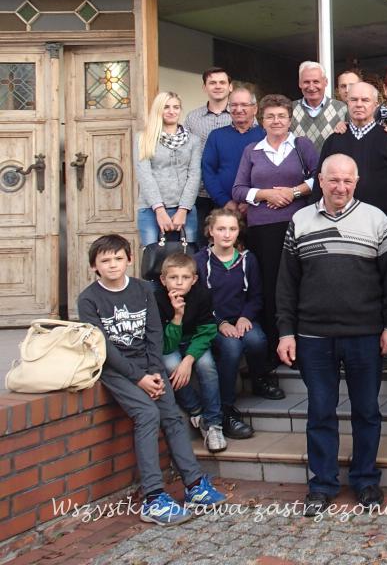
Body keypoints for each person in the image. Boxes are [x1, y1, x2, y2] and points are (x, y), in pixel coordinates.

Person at [276, 154, 387, 517]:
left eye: (348, 180)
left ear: (357, 181)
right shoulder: (300, 220)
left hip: (365, 334)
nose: (341, 187)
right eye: (333, 180)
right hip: (314, 336)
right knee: (320, 411)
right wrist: (286, 332)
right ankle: (322, 484)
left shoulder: (376, 220)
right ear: (320, 180)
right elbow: (286, 284)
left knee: (367, 411)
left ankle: (365, 480)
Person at [77, 235, 226, 526]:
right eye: (105, 260)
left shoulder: (143, 290)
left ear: (130, 260)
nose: (113, 265)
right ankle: (154, 497)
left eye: (118, 258)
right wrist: (139, 378)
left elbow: (154, 333)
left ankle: (195, 484)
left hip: (149, 365)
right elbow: (103, 346)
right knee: (147, 414)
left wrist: (155, 372)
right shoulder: (88, 299)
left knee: (172, 416)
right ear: (94, 266)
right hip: (116, 369)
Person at [232, 94, 319, 359]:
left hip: (298, 225)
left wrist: (293, 192)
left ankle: (303, 346)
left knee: (300, 283)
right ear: (262, 120)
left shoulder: (302, 146)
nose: (276, 121)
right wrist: (265, 194)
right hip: (263, 229)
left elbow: (320, 178)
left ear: (290, 119)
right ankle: (274, 347)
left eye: (281, 116)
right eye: (270, 116)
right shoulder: (252, 150)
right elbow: (238, 190)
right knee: (269, 286)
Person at [195, 207, 284, 442]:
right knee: (232, 348)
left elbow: (256, 296)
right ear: (210, 231)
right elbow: (199, 301)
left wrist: (245, 316)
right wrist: (220, 323)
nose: (227, 234)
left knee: (257, 340)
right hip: (214, 322)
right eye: (221, 229)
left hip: (242, 318)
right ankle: (226, 409)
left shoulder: (247, 259)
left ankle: (259, 379)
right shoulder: (200, 261)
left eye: (232, 229)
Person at [154, 252, 222, 452]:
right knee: (170, 365)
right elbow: (166, 346)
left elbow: (207, 332)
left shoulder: (202, 295)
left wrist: (189, 360)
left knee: (206, 365)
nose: (179, 282)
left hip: (195, 340)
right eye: (173, 277)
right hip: (170, 341)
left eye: (185, 277)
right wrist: (177, 316)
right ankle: (196, 411)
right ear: (163, 280)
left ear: (194, 279)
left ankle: (214, 422)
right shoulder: (157, 299)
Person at [316, 82, 387, 222]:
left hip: (382, 221)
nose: (359, 104)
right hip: (338, 220)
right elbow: (320, 183)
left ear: (376, 105)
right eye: (353, 99)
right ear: (347, 103)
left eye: (365, 100)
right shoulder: (333, 141)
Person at [136, 91, 202, 247]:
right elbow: (145, 175)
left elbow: (194, 175)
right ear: (158, 109)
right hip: (151, 209)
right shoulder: (143, 138)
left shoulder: (193, 140)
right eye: (166, 107)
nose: (172, 111)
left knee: (186, 256)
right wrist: (159, 210)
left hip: (184, 209)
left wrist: (183, 209)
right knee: (154, 256)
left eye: (176, 107)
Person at [184, 67, 233, 245]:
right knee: (201, 243)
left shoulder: (240, 115)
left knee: (232, 241)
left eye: (222, 82)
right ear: (205, 87)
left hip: (231, 193)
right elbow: (185, 152)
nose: (217, 86)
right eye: (212, 83)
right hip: (201, 191)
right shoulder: (192, 118)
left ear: (230, 87)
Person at [201, 86, 265, 215]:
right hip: (223, 209)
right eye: (234, 105)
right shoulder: (216, 136)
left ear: (255, 109)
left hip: (258, 208)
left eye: (244, 105)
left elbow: (270, 173)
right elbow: (208, 171)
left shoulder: (265, 136)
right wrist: (224, 201)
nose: (238, 109)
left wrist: (251, 200)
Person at [291, 61, 347, 151]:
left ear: (326, 82)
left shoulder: (342, 109)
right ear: (299, 83)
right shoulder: (289, 109)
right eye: (306, 82)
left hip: (331, 160)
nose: (311, 87)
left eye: (316, 82)